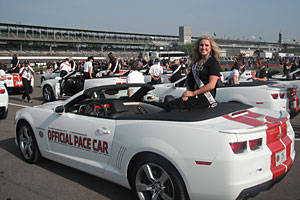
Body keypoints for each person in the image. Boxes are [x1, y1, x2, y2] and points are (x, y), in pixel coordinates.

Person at [166, 36, 221, 110]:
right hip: (193, 97)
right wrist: (187, 93)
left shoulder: (213, 63)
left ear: (211, 48)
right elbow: (190, 81)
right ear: (198, 47)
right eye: (201, 45)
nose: (203, 47)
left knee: (171, 106)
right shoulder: (196, 63)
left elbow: (211, 85)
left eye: (206, 45)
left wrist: (193, 93)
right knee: (169, 105)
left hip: (205, 99)